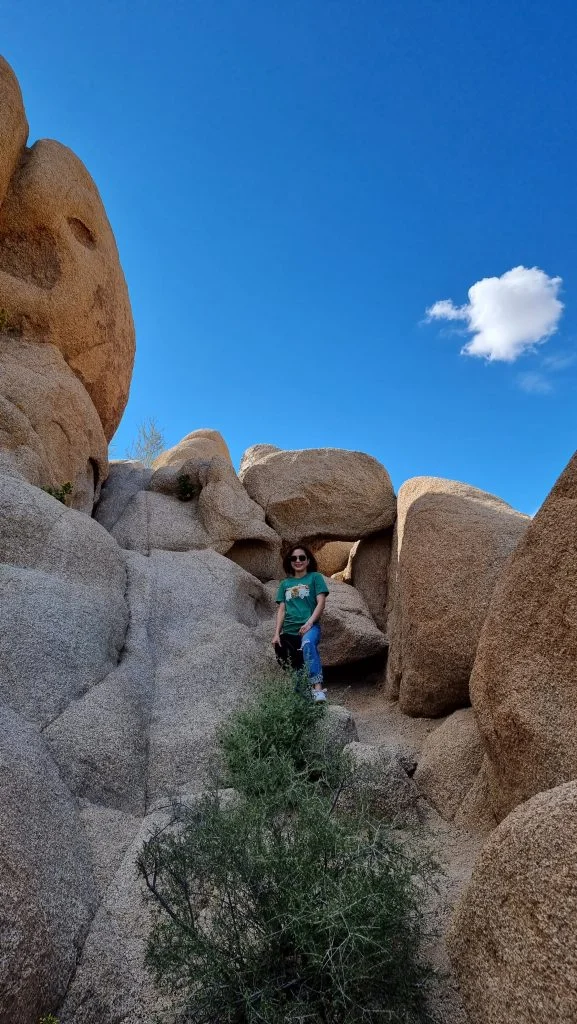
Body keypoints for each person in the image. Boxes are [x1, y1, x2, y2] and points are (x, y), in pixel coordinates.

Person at [272, 543, 329, 700]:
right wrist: (277, 633)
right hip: (289, 631)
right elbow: (282, 610)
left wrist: (309, 623)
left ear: (308, 561)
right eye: (294, 558)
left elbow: (321, 603)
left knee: (308, 643)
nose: (298, 560)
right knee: (292, 661)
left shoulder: (315, 578)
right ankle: (302, 695)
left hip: (310, 627)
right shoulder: (284, 584)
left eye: (302, 557)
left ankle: (318, 688)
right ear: (290, 561)